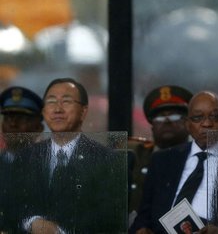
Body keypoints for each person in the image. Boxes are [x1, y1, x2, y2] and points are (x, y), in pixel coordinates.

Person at [130, 91, 218, 234]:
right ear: (187, 124)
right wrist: (141, 229)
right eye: (198, 118)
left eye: (214, 117)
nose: (207, 123)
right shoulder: (162, 160)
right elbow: (143, 216)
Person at [12, 77, 125, 233]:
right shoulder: (25, 157)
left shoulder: (108, 160)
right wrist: (32, 222)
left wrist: (60, 232)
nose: (58, 109)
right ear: (44, 111)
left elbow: (110, 220)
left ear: (83, 111)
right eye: (51, 102)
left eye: (66, 101)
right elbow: (12, 209)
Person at [129, 85, 193, 214]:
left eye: (175, 116)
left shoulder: (201, 157)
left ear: (188, 122)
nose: (167, 121)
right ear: (152, 126)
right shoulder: (137, 157)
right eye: (160, 117)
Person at [0, 86, 44, 231]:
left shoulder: (48, 165)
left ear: (38, 127)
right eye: (8, 117)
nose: (13, 124)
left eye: (21, 118)